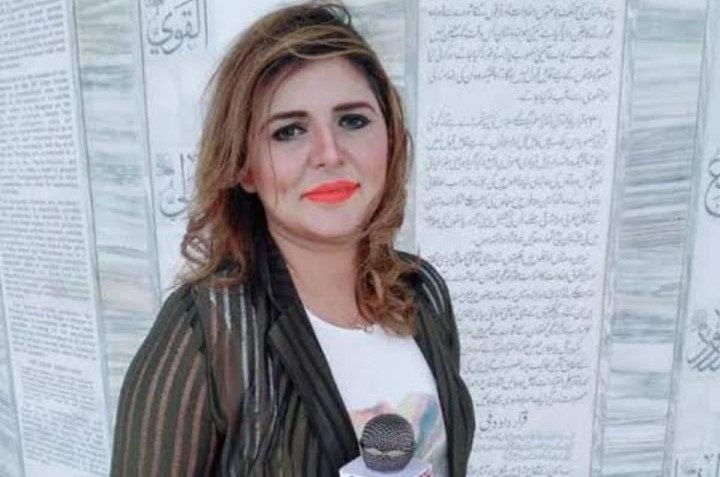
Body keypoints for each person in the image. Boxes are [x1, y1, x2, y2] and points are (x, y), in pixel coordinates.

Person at [110, 3, 474, 476]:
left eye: (352, 121)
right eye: (289, 131)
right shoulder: (208, 332)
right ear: (243, 167)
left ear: (390, 138)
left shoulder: (422, 292)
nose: (329, 153)